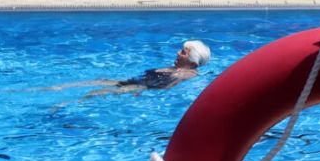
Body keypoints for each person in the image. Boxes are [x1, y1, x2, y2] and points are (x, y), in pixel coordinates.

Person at [40, 40, 211, 97]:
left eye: (183, 52)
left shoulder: (188, 74)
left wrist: (139, 92)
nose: (178, 53)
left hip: (140, 87)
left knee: (95, 93)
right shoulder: (177, 68)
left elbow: (165, 88)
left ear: (192, 62)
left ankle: (65, 104)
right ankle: (56, 88)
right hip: (137, 82)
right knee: (98, 81)